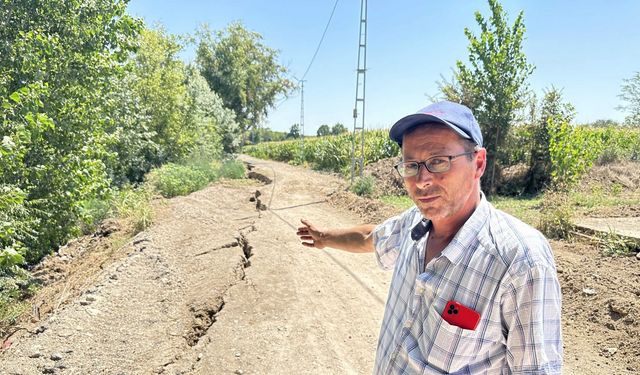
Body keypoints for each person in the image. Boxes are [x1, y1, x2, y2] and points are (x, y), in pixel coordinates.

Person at [296, 101, 562, 374]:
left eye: (438, 162)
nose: (421, 180)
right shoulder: (414, 223)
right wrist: (324, 237)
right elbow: (370, 238)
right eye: (411, 165)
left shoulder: (519, 261)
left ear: (478, 163)